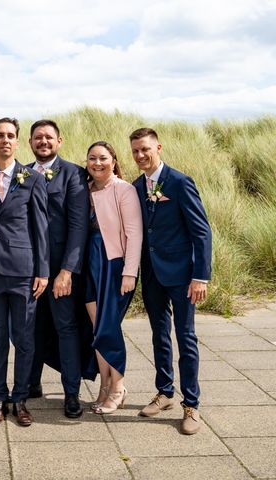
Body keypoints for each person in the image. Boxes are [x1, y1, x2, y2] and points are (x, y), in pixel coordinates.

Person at [130, 127, 212, 434]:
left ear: (158, 148)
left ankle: (191, 405)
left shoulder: (179, 182)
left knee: (186, 337)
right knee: (158, 334)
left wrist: (200, 276)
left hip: (182, 275)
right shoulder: (137, 186)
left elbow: (201, 231)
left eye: (145, 149)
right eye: (135, 151)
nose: (140, 155)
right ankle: (164, 392)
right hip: (151, 274)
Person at [0, 117, 49, 427]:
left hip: (24, 270)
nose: (5, 140)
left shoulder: (32, 178)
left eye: (11, 135)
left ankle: (21, 399)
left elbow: (41, 227)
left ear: (17, 143)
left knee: (25, 337)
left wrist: (43, 271)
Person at [26, 119, 89, 419]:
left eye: (49, 138)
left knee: (66, 327)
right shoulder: (21, 173)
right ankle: (31, 383)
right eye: (38, 138)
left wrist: (67, 271)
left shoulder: (74, 173)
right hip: (27, 267)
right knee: (31, 326)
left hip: (60, 267)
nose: (43, 142)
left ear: (59, 141)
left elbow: (78, 225)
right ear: (30, 142)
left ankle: (71, 394)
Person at [84, 141, 142, 414]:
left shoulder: (124, 189)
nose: (97, 163)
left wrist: (129, 272)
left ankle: (118, 387)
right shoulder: (85, 190)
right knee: (97, 329)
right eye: (92, 158)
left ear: (113, 160)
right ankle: (104, 386)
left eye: (103, 158)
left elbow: (135, 234)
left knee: (109, 327)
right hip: (89, 263)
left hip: (113, 263)